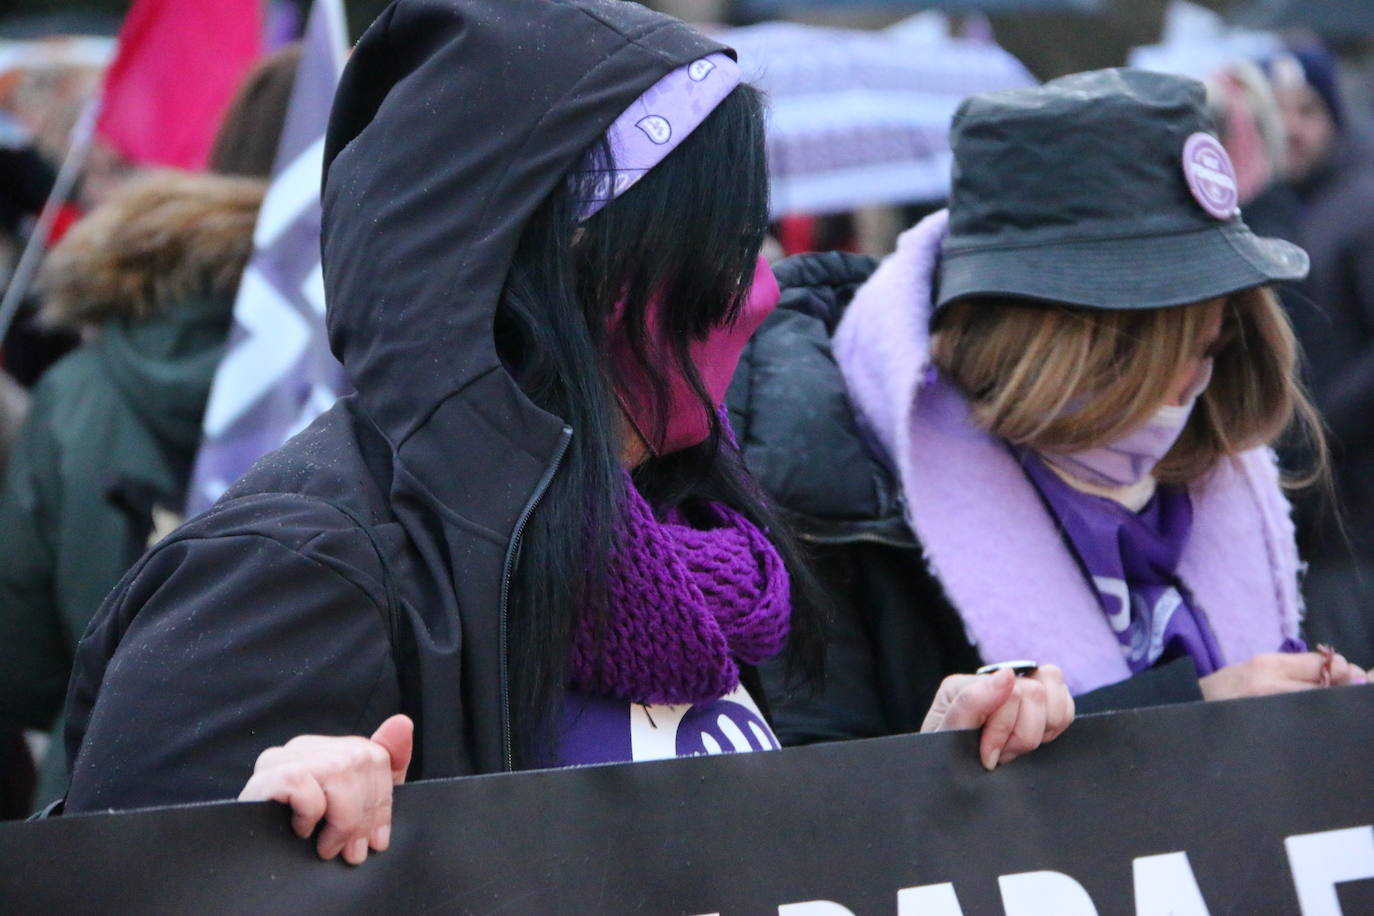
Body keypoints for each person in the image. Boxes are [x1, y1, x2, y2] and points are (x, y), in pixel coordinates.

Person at [56, 0, 1072, 862]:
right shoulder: (298, 570)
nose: (762, 292)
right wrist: (243, 837)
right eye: (719, 246)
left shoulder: (680, 544)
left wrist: (926, 783)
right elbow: (117, 880)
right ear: (567, 274)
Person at [727, 68, 1370, 748]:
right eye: (1169, 350)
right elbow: (820, 811)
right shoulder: (826, 485)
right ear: (1059, 343)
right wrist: (1193, 710)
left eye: (1216, 345)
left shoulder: (1206, 459)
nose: (1195, 385)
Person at [1263, 47, 1374, 666]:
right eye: (1281, 113)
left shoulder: (1362, 206)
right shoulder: (1304, 205)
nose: (1294, 129)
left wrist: (1319, 424)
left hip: (1356, 517)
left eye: (1307, 110)